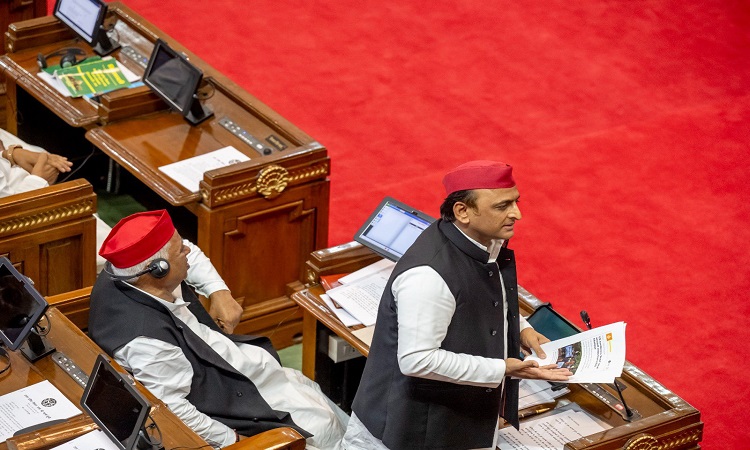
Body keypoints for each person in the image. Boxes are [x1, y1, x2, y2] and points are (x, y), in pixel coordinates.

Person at [342, 160, 573, 450]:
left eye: (515, 202)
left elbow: (484, 293)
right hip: (408, 433)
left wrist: (521, 328)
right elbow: (418, 360)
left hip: (454, 422)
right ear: (462, 211)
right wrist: (504, 368)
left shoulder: (480, 240)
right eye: (502, 206)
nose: (517, 214)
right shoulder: (428, 276)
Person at [88, 210, 347, 449]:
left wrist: (219, 292)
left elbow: (192, 253)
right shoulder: (147, 343)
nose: (187, 252)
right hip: (237, 402)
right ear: (158, 269)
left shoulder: (126, 272)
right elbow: (175, 408)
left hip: (238, 367)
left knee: (308, 391)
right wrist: (232, 439)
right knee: (324, 426)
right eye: (180, 251)